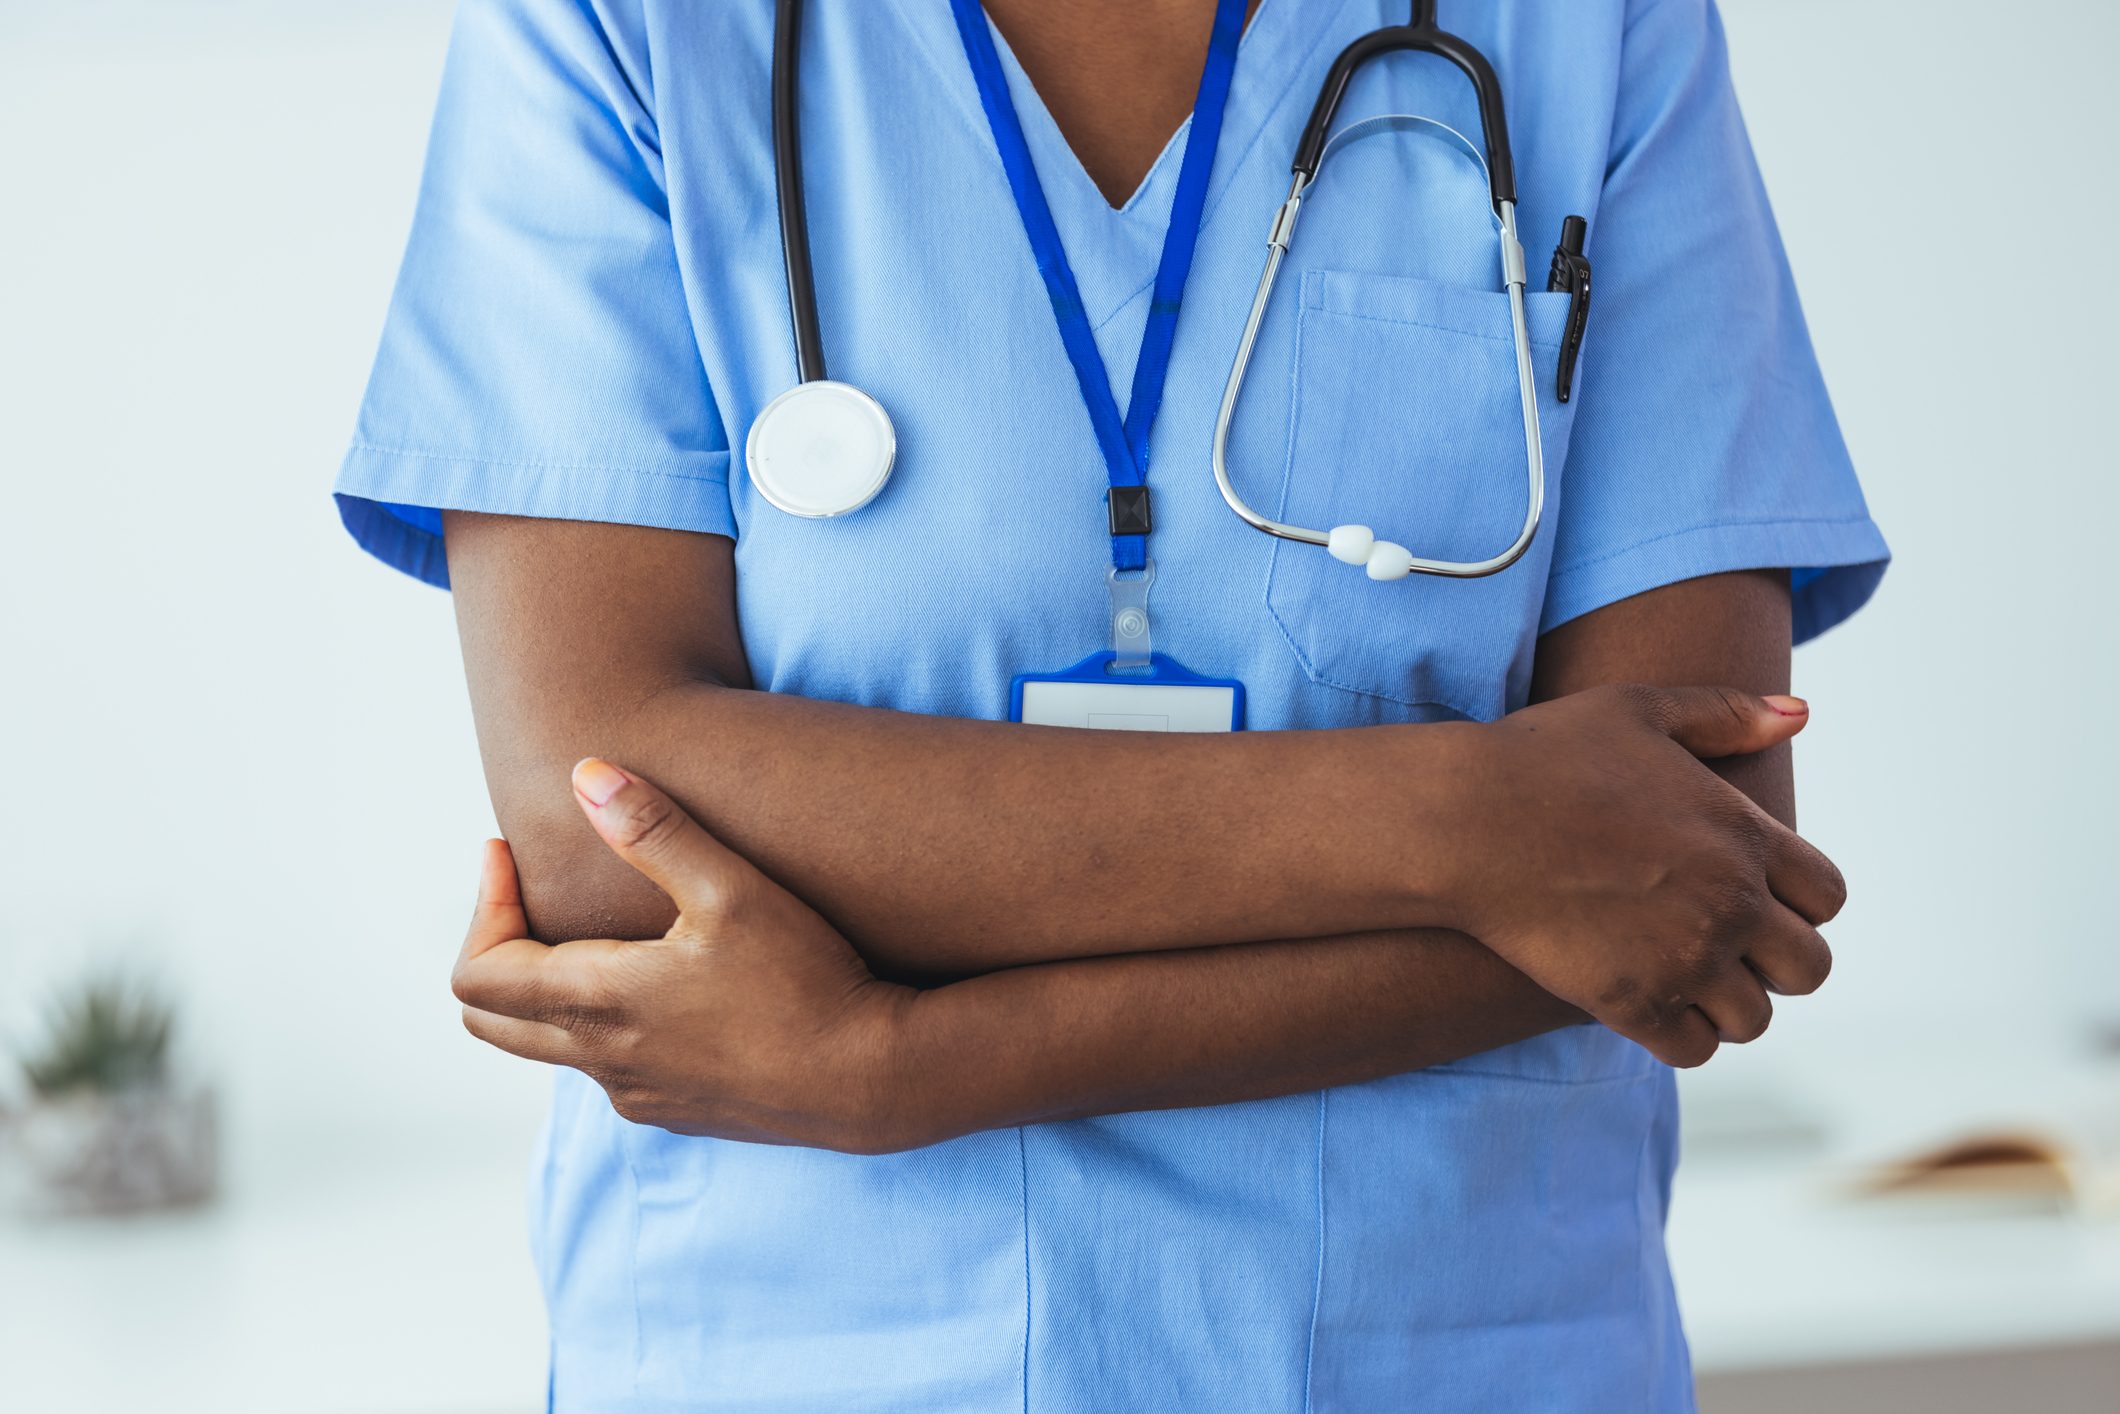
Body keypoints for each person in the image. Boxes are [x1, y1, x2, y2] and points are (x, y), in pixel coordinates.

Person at [335, 0, 1888, 1407]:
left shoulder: (1589, 27)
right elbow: (604, 826)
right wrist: (1465, 821)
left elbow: (1688, 854)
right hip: (809, 1354)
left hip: (1447, 1353)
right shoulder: (613, 28)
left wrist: (908, 1065)